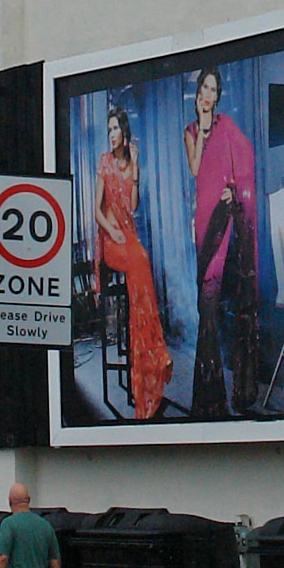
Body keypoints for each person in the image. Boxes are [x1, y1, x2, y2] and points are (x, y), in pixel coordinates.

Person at [183, 67, 258, 416]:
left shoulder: (228, 127)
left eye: (214, 89)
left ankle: (243, 389)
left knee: (238, 291)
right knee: (208, 303)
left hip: (228, 212)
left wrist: (233, 188)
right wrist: (202, 125)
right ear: (199, 94)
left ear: (218, 95)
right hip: (205, 221)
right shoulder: (190, 131)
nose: (209, 94)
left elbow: (244, 161)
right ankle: (210, 397)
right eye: (205, 88)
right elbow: (197, 169)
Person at [95, 103, 173, 420]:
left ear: (125, 133)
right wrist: (110, 229)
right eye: (109, 129)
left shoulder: (129, 165)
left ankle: (149, 350)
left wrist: (136, 170)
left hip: (129, 237)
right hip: (111, 241)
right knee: (139, 260)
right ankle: (155, 349)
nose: (112, 135)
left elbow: (134, 205)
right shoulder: (104, 162)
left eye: (116, 129)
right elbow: (97, 210)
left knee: (142, 258)